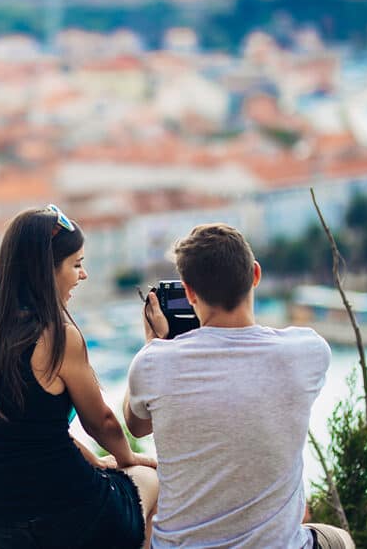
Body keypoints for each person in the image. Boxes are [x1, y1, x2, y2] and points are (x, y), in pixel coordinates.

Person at [124, 223, 354, 548]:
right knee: (339, 538)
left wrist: (154, 345)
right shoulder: (309, 352)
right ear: (255, 274)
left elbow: (137, 426)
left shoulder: (154, 362)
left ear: (190, 292)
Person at [0, 205, 159, 549]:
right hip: (73, 515)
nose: (83, 274)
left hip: (3, 525)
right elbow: (103, 422)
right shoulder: (55, 337)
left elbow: (25, 430)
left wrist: (94, 460)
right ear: (45, 270)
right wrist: (126, 459)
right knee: (150, 480)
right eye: (76, 264)